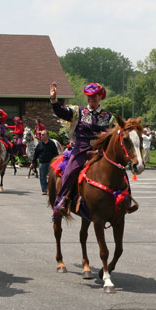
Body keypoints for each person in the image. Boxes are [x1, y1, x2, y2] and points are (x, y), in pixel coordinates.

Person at [49, 81, 115, 216]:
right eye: (89, 96)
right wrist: (54, 99)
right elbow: (60, 112)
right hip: (82, 149)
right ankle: (62, 200)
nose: (91, 98)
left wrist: (107, 135)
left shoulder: (108, 117)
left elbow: (114, 136)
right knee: (70, 170)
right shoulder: (78, 112)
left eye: (94, 96)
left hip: (101, 151)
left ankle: (126, 200)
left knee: (119, 170)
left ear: (100, 97)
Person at [32, 130, 57, 195]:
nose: (41, 136)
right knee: (42, 177)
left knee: (51, 177)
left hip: (50, 163)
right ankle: (44, 189)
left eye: (43, 135)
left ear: (47, 136)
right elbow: (36, 154)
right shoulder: (40, 144)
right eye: (41, 135)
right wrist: (33, 162)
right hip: (42, 163)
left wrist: (55, 162)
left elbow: (55, 153)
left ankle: (50, 189)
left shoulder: (52, 144)